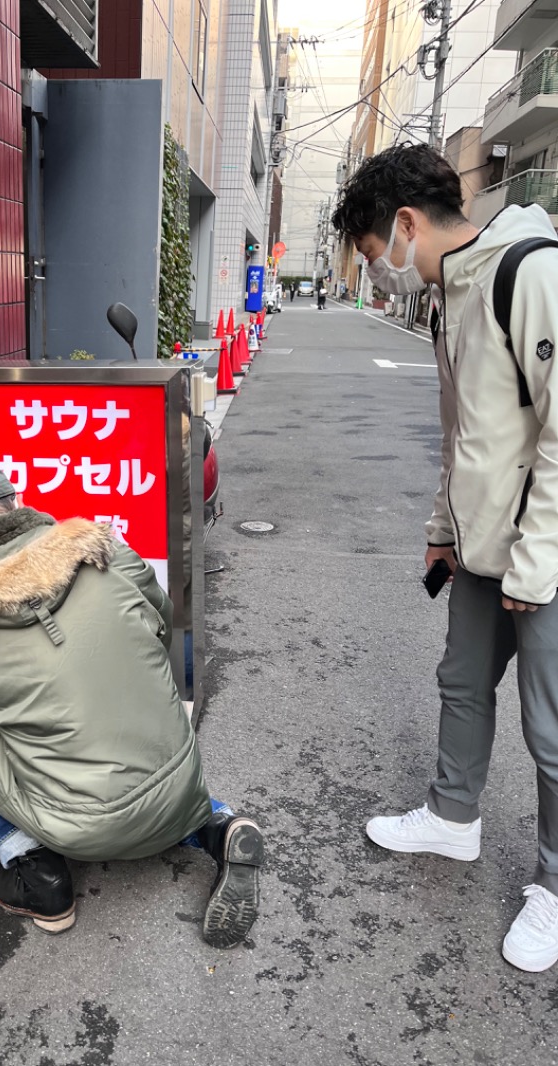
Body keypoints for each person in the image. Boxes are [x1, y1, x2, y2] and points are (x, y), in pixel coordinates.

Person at [331, 142, 558, 973]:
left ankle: (555, 888)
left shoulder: (530, 273)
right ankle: (453, 816)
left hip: (547, 551)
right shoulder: (448, 296)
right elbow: (465, 434)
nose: (376, 272)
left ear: (403, 224)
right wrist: (442, 528)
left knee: (553, 728)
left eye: (369, 255)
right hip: (480, 542)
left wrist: (537, 564)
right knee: (462, 683)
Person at [0, 461, 264, 947]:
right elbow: (160, 623)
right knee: (121, 681)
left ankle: (36, 873)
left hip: (78, 829)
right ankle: (217, 825)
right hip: (182, 782)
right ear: (17, 504)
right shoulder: (105, 548)